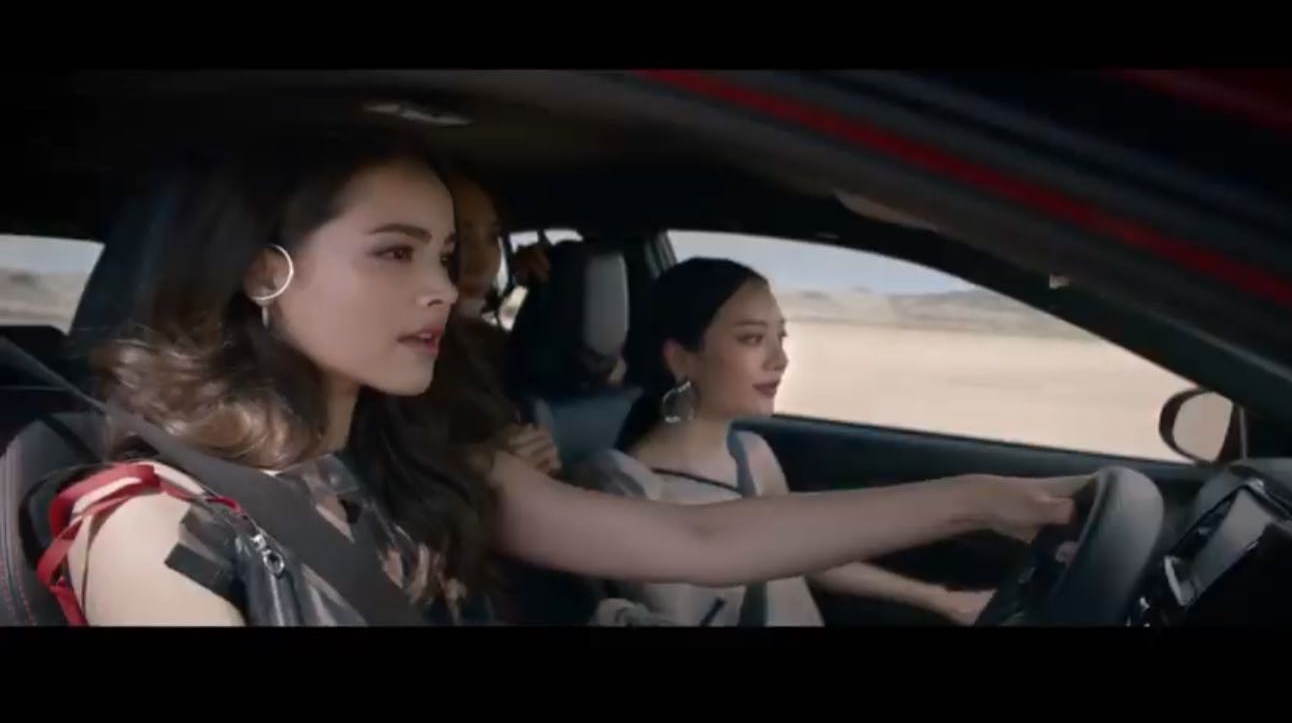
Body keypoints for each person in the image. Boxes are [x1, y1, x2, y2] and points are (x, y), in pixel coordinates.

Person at [53, 134, 1086, 626]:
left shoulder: (417, 462)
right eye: (395, 253)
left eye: (448, 256)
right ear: (263, 271)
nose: (444, 289)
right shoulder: (155, 529)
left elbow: (697, 542)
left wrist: (973, 500)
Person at [576, 258, 997, 626]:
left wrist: (940, 599)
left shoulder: (752, 454)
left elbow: (809, 556)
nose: (780, 360)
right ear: (681, 358)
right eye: (752, 339)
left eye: (781, 337)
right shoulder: (631, 489)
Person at [439, 171, 560, 476]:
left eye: (493, 238)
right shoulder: (400, 368)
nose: (483, 263)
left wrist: (540, 295)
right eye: (461, 240)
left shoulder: (497, 347)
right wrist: (484, 462)